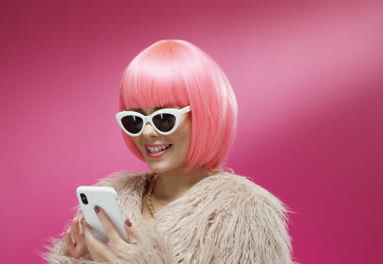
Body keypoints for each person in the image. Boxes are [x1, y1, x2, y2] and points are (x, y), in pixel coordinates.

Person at [43, 39, 295, 263]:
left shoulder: (244, 214)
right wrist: (77, 260)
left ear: (205, 115)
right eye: (135, 120)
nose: (147, 132)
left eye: (164, 118)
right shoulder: (117, 199)